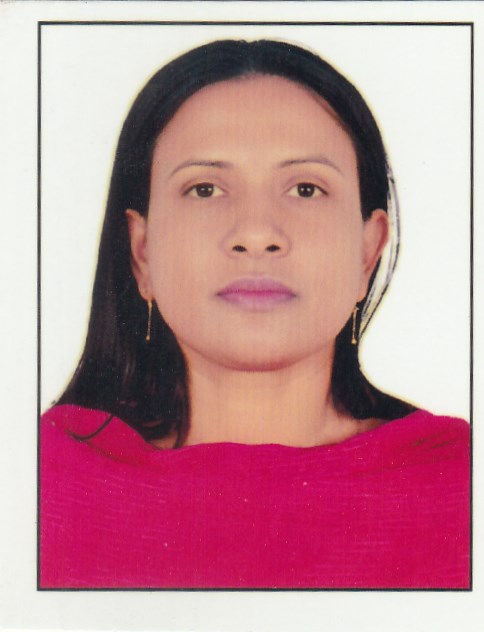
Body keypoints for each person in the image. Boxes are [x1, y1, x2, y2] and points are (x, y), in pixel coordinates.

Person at [40, 39, 470, 589]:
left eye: (306, 189)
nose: (256, 234)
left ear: (368, 252)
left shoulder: (461, 487)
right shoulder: (37, 486)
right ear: (142, 252)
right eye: (204, 189)